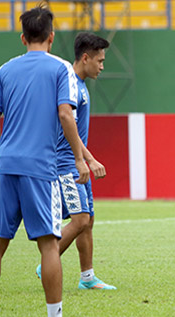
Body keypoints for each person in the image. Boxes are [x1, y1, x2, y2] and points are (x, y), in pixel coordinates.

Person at [0, 6, 89, 317]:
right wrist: (80, 159)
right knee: (49, 245)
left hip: (5, 167)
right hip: (41, 169)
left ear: (23, 38)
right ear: (51, 37)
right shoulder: (61, 69)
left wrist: (1, 153)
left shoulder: (5, 70)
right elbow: (66, 116)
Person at [35, 32, 116, 290]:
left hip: (75, 160)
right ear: (85, 58)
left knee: (88, 220)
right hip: (65, 163)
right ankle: (47, 261)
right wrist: (88, 159)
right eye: (100, 61)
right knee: (80, 220)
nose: (102, 66)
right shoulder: (68, 82)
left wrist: (86, 158)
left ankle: (88, 277)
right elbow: (66, 121)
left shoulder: (79, 84)